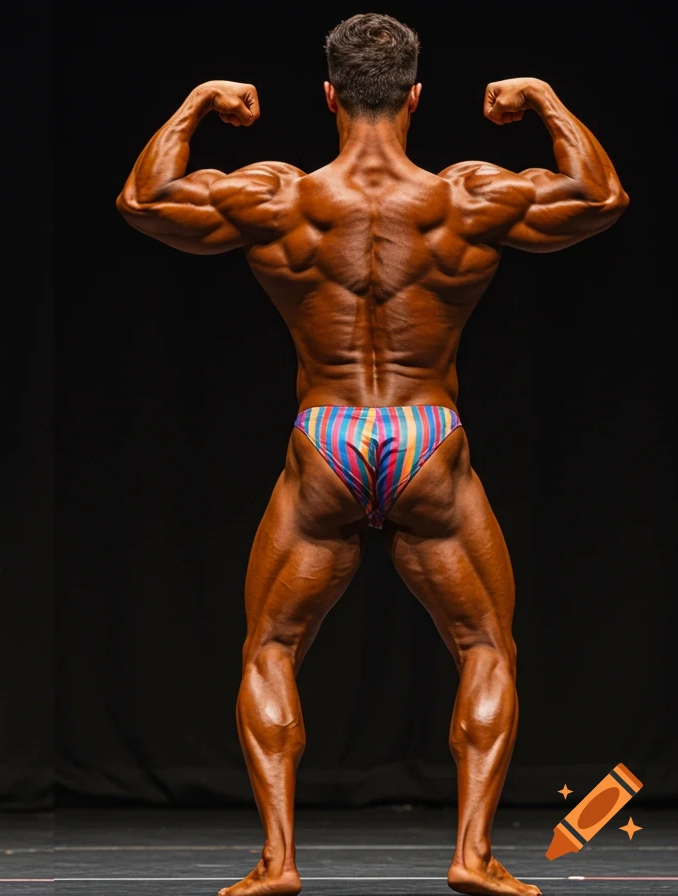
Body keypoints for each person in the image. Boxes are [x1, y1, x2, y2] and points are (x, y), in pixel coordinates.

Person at [116, 13, 625, 896]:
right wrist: (543, 100)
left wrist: (198, 105)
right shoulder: (466, 196)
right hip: (428, 437)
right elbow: (600, 196)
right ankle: (472, 855)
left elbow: (144, 200)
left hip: (328, 437)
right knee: (485, 649)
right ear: (417, 98)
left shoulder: (282, 197)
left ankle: (278, 862)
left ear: (328, 97)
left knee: (270, 647)